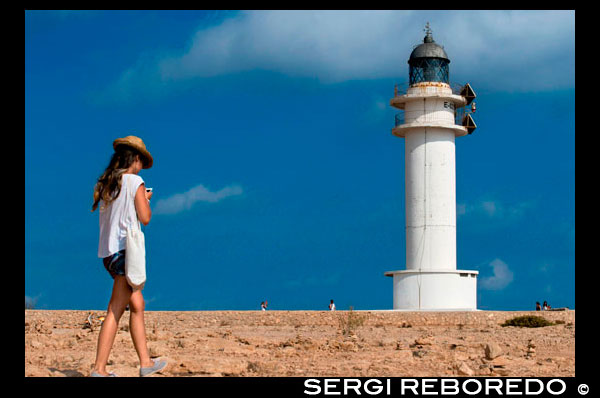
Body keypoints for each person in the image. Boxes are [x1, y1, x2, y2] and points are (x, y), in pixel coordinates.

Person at [90, 136, 167, 377]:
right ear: (135, 159)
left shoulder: (107, 184)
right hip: (125, 251)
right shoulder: (135, 182)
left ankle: (145, 363)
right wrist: (145, 198)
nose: (142, 165)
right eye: (142, 160)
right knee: (115, 309)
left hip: (108, 253)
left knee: (137, 304)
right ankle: (99, 369)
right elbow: (145, 218)